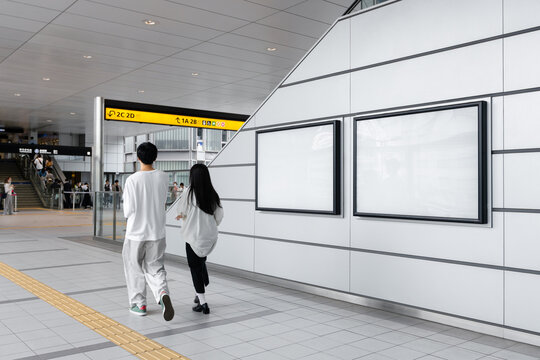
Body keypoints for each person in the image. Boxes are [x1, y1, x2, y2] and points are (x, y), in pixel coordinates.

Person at [122, 142, 174, 321]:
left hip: (136, 232)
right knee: (155, 266)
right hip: (157, 231)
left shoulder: (132, 180)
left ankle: (139, 304)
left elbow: (128, 210)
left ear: (138, 158)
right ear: (155, 157)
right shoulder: (163, 177)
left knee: (134, 266)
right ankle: (161, 293)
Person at [175, 164, 223, 314]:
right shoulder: (212, 194)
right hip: (208, 237)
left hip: (193, 237)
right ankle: (198, 293)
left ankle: (203, 303)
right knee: (201, 261)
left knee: (194, 268)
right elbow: (219, 216)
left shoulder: (189, 192)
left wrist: (182, 217)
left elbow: (182, 211)